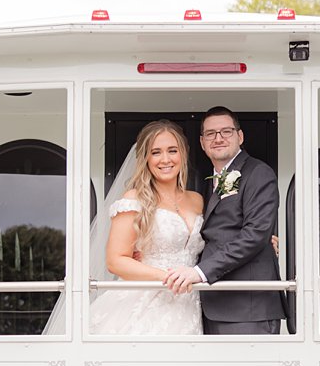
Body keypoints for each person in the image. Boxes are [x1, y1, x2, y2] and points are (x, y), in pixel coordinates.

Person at [164, 106, 285, 334]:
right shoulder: (207, 181)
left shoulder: (258, 173)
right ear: (202, 142)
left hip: (248, 308)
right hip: (210, 304)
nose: (218, 138)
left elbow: (255, 234)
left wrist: (199, 272)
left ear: (240, 136)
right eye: (210, 133)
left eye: (226, 132)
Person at [93, 119, 205, 335]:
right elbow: (115, 261)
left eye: (172, 150)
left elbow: (215, 239)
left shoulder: (197, 200)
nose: (165, 159)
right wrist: (166, 277)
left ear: (183, 154)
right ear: (145, 158)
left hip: (189, 302)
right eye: (156, 152)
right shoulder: (134, 199)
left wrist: (262, 240)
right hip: (146, 302)